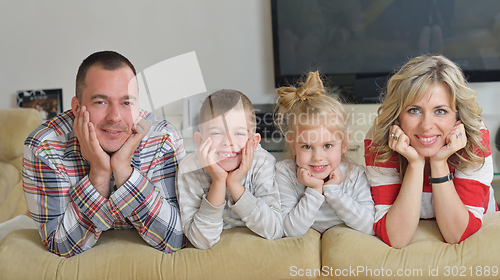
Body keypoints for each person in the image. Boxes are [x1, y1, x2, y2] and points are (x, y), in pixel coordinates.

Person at [22, 51, 186, 257]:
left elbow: (175, 238)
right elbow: (60, 245)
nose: (115, 117)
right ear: (76, 107)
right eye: (101, 102)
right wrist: (99, 173)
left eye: (126, 103)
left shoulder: (163, 139)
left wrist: (124, 170)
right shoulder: (44, 147)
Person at [365, 55, 497, 249]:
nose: (426, 126)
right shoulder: (380, 138)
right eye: (414, 110)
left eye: (441, 111)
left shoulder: (476, 136)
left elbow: (456, 234)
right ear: (398, 115)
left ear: (457, 115)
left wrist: (438, 163)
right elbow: (396, 237)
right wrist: (416, 164)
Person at [176, 89, 282, 249]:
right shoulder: (189, 169)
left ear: (254, 142)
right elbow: (202, 241)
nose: (228, 142)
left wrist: (234, 184)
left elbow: (274, 230)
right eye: (216, 133)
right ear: (199, 141)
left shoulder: (262, 162)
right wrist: (218, 181)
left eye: (239, 133)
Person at [274, 71, 375, 237]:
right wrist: (314, 190)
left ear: (344, 145)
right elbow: (288, 231)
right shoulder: (284, 173)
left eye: (327, 145)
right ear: (293, 146)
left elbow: (370, 226)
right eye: (307, 146)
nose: (317, 157)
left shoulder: (354, 174)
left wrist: (333, 191)